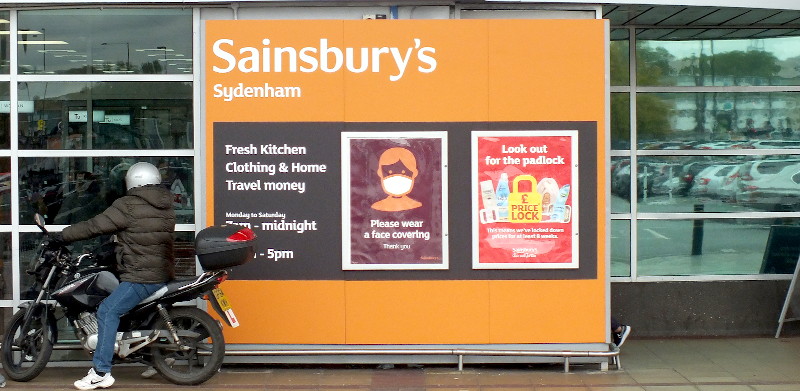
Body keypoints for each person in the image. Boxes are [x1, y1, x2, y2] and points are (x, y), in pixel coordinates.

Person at [50, 162, 176, 390]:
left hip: (141, 275)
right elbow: (143, 236)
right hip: (159, 270)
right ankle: (153, 358)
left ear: (132, 181)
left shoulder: (128, 205)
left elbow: (94, 225)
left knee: (108, 310)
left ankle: (101, 371)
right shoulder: (164, 204)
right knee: (128, 312)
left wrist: (62, 236)